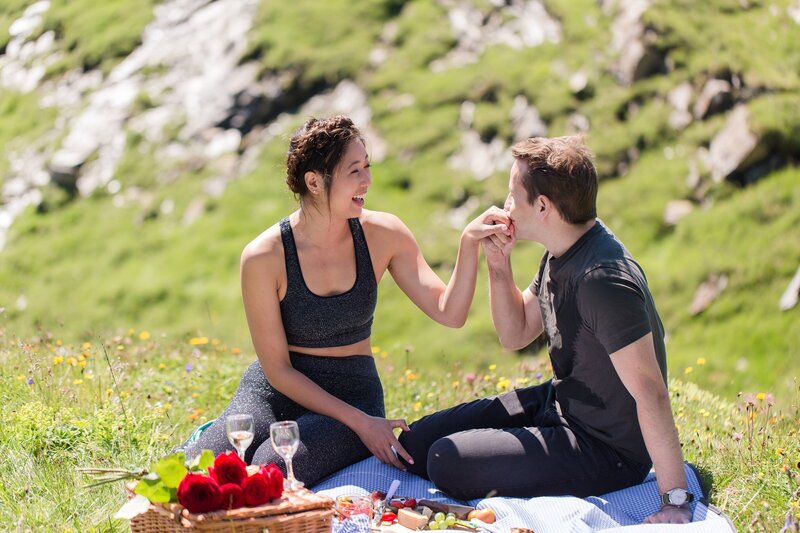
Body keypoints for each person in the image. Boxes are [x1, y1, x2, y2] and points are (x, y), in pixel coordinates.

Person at [178, 116, 512, 487]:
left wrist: (468, 243)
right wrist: (363, 426)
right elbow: (278, 371)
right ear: (314, 182)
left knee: (272, 468)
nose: (367, 180)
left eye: (367, 166)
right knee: (200, 468)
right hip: (276, 390)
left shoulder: (383, 234)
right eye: (355, 170)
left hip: (353, 393)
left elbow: (450, 313)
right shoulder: (263, 256)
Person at [398, 135, 693, 524]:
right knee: (414, 447)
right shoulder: (562, 246)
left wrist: (674, 500)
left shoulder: (602, 280)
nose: (504, 206)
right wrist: (499, 266)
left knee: (444, 460)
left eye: (511, 195)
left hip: (604, 449)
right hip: (559, 404)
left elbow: (650, 392)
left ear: (542, 206)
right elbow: (516, 334)